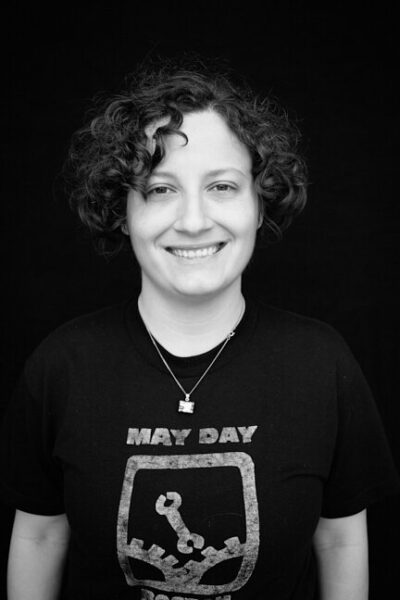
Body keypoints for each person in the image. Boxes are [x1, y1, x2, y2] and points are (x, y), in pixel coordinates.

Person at [1, 59, 399, 600]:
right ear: (123, 210)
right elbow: (41, 535)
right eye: (161, 189)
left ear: (260, 204)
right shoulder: (62, 366)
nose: (193, 220)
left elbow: (340, 542)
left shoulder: (321, 363)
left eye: (222, 186)